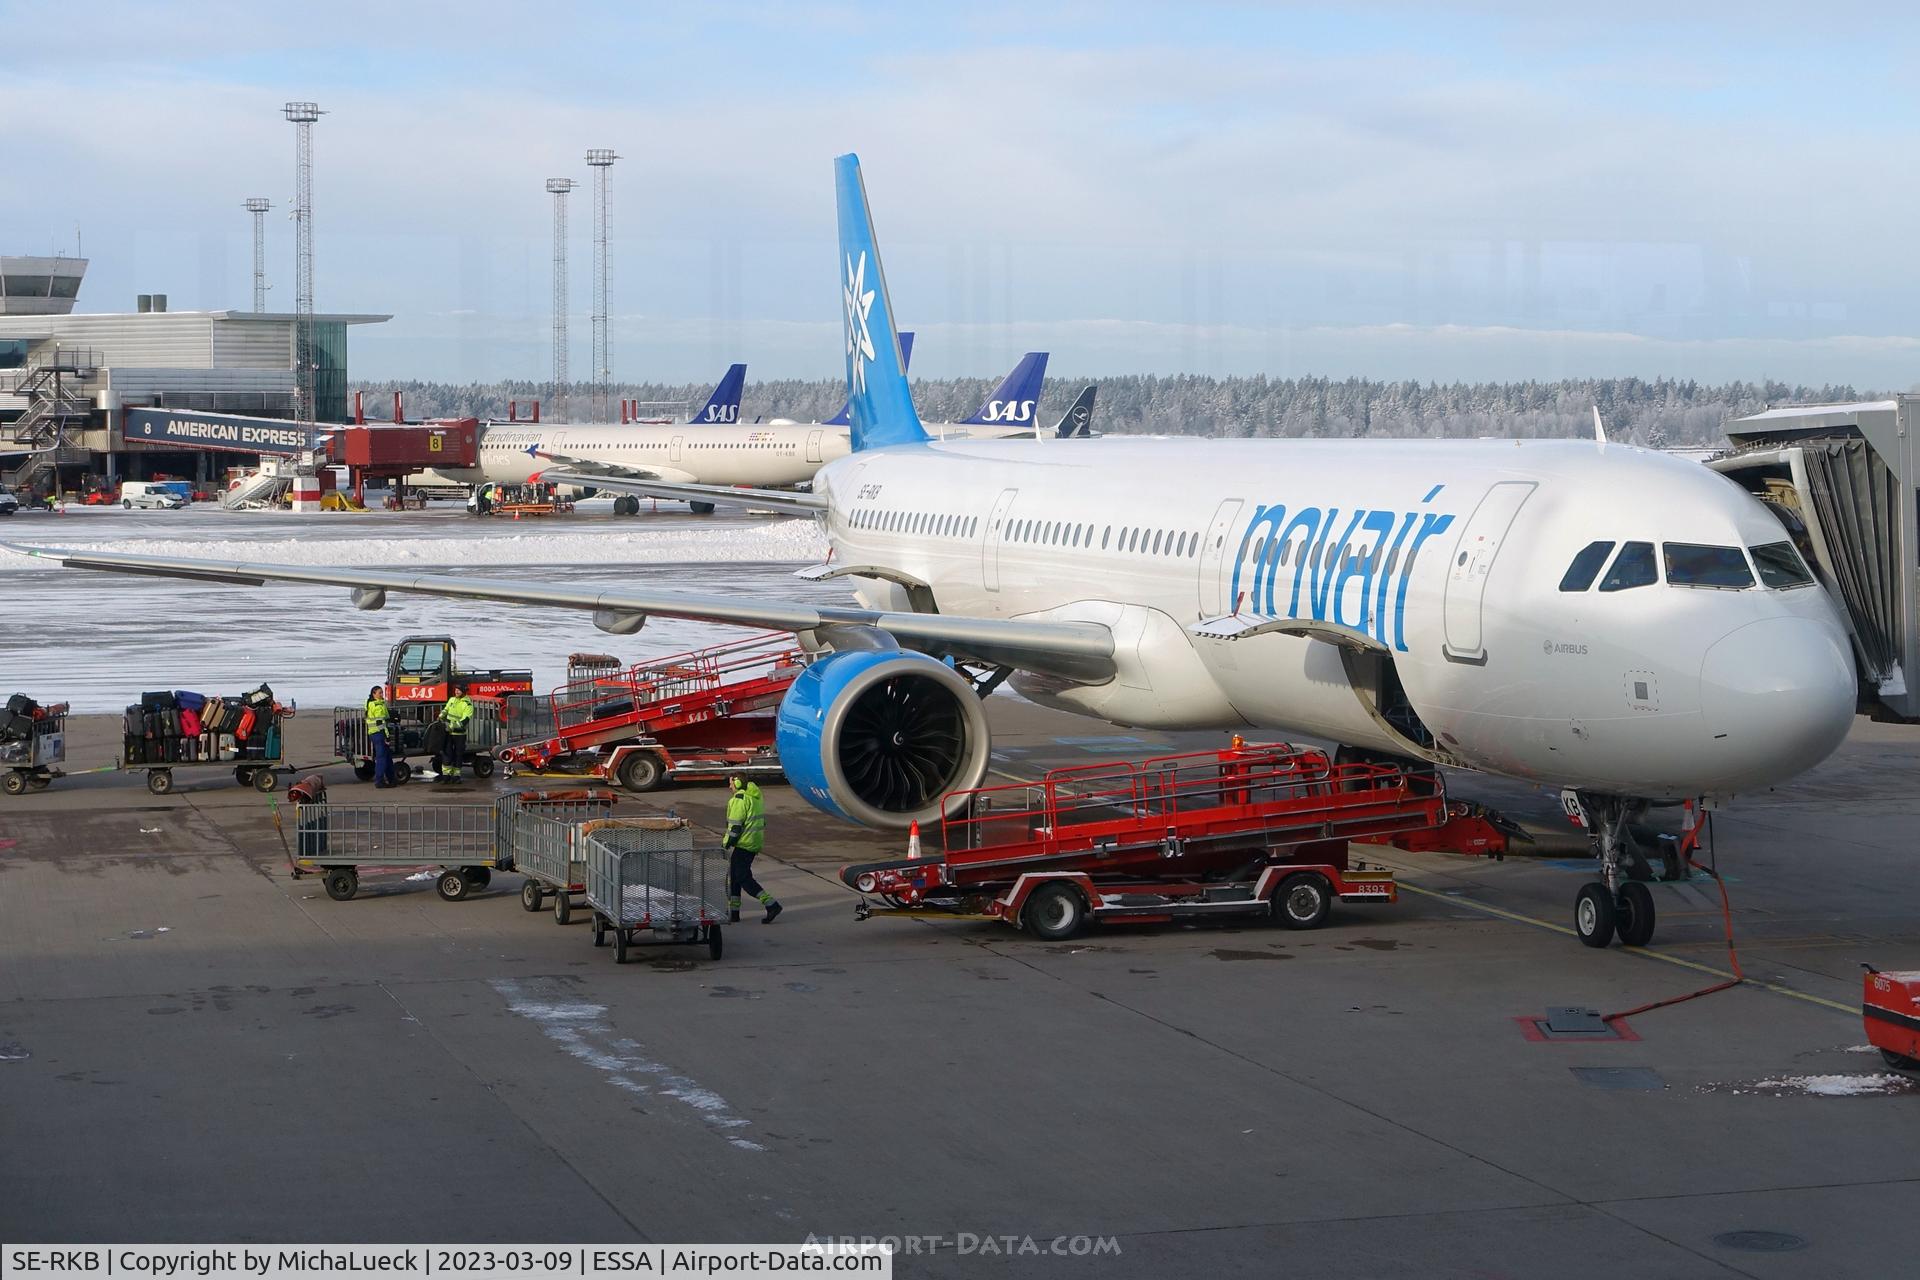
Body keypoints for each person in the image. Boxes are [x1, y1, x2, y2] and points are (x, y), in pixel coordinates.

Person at [724, 774, 781, 924]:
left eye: (731, 783)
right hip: (753, 842)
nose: (729, 786)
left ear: (737, 783)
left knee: (742, 877)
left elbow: (735, 826)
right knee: (735, 877)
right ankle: (734, 912)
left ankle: (771, 904)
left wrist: (726, 843)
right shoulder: (755, 796)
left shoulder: (739, 799)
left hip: (744, 843)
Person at [440, 683, 475, 782]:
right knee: (447, 754)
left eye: (458, 690)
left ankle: (456, 776)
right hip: (449, 733)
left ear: (463, 691)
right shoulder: (452, 700)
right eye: (455, 690)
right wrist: (441, 714)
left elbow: (465, 720)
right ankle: (446, 776)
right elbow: (446, 709)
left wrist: (452, 726)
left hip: (459, 734)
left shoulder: (468, 704)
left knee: (458, 755)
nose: (456, 691)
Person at [365, 685, 397, 788]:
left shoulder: (372, 704)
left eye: (382, 692)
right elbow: (381, 723)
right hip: (379, 734)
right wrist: (386, 736)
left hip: (373, 733)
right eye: (380, 693)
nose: (382, 694)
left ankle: (391, 779)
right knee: (382, 758)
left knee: (387, 757)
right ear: (374, 694)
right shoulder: (377, 706)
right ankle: (379, 780)